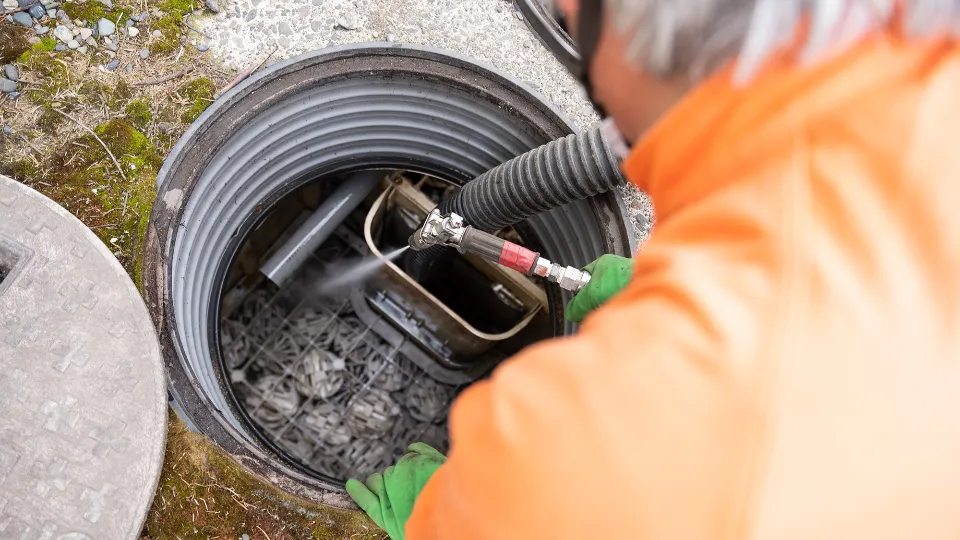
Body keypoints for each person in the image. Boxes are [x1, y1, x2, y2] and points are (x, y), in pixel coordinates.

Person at [347, 0, 960, 538]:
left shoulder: (604, 458)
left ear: (649, 40)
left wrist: (447, 510)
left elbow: (523, 512)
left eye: (573, 19)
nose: (567, 29)